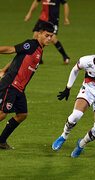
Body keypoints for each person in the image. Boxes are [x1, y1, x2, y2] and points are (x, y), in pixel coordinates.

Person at [0, 21, 54, 149]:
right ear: (39, 34)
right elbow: (11, 49)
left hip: (20, 89)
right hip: (11, 85)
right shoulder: (31, 44)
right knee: (2, 113)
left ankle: (1, 141)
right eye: (46, 35)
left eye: (51, 36)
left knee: (22, 114)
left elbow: (18, 58)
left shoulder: (40, 50)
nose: (49, 39)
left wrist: (4, 69)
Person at [24, 0, 70, 65]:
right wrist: (29, 13)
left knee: (53, 39)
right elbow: (36, 2)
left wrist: (66, 18)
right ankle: (39, 59)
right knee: (35, 37)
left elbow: (65, 4)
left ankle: (65, 56)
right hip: (42, 19)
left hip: (53, 21)